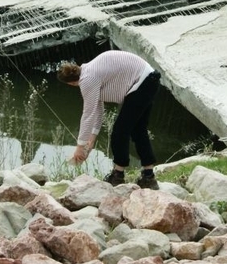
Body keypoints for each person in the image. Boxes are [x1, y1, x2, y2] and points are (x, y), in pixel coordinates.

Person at [57, 50, 161, 189]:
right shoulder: (89, 70)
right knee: (138, 130)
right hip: (149, 79)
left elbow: (88, 114)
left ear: (70, 83)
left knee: (119, 132)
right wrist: (91, 139)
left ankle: (118, 175)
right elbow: (98, 110)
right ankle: (149, 176)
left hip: (141, 82)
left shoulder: (87, 80)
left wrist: (80, 147)